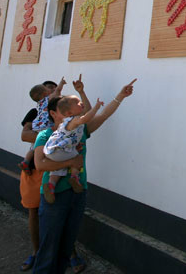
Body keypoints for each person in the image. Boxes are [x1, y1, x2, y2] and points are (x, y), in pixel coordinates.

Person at [32, 79, 136, 274]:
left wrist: (120, 96)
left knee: (66, 246)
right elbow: (40, 164)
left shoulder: (80, 131)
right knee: (48, 248)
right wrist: (70, 163)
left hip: (77, 194)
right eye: (61, 110)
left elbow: (102, 115)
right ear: (54, 114)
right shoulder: (45, 135)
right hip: (54, 198)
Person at [19, 78, 87, 273]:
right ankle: (36, 252)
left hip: (56, 171)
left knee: (62, 221)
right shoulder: (35, 114)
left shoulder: (70, 125)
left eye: (53, 90)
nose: (51, 92)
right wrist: (50, 136)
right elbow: (25, 136)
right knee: (37, 213)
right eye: (48, 89)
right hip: (34, 170)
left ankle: (70, 255)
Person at [42, 96, 104, 203]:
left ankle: (51, 185)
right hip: (60, 150)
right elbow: (86, 118)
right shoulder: (74, 120)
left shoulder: (66, 121)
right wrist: (96, 107)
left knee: (57, 170)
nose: (80, 103)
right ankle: (75, 176)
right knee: (77, 157)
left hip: (54, 151)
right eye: (77, 103)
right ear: (69, 112)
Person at [19, 77, 66, 174]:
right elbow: (25, 136)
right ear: (44, 93)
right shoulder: (41, 106)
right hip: (45, 126)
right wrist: (61, 83)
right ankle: (29, 162)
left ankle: (26, 161)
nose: (53, 89)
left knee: (34, 146)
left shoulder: (40, 104)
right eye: (50, 88)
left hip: (38, 126)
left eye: (55, 87)